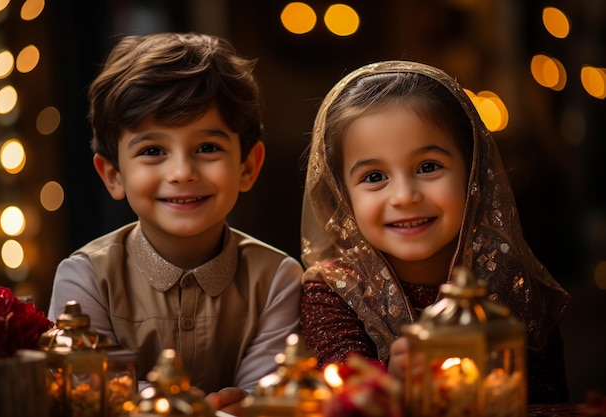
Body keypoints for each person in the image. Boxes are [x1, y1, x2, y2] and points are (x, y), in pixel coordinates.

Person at [47, 32, 303, 415]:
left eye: (207, 148)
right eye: (153, 151)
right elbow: (85, 397)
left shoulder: (278, 280)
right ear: (113, 175)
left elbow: (264, 401)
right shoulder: (84, 279)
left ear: (248, 167)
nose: (182, 172)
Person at [299, 60, 570, 404]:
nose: (404, 197)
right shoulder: (334, 289)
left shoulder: (507, 278)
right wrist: (390, 378)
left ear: (473, 173)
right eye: (373, 177)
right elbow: (337, 392)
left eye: (428, 167)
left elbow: (547, 400)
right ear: (343, 196)